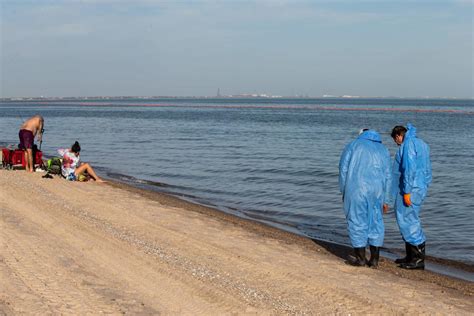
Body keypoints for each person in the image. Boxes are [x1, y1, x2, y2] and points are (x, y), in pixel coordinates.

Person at [339, 129, 391, 268]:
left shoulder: (353, 145)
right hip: (378, 191)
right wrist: (386, 200)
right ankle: (374, 260)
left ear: (361, 134)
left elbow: (343, 169)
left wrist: (344, 191)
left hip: (356, 188)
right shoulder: (383, 149)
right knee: (376, 222)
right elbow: (388, 175)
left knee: (356, 221)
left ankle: (361, 259)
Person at [391, 124, 431, 270]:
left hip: (410, 188)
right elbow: (427, 170)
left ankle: (417, 259)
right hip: (419, 187)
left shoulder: (407, 145)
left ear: (398, 136)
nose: (397, 144)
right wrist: (424, 186)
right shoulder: (422, 144)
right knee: (410, 219)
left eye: (396, 141)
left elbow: (409, 168)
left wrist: (407, 191)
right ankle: (411, 256)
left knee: (407, 220)